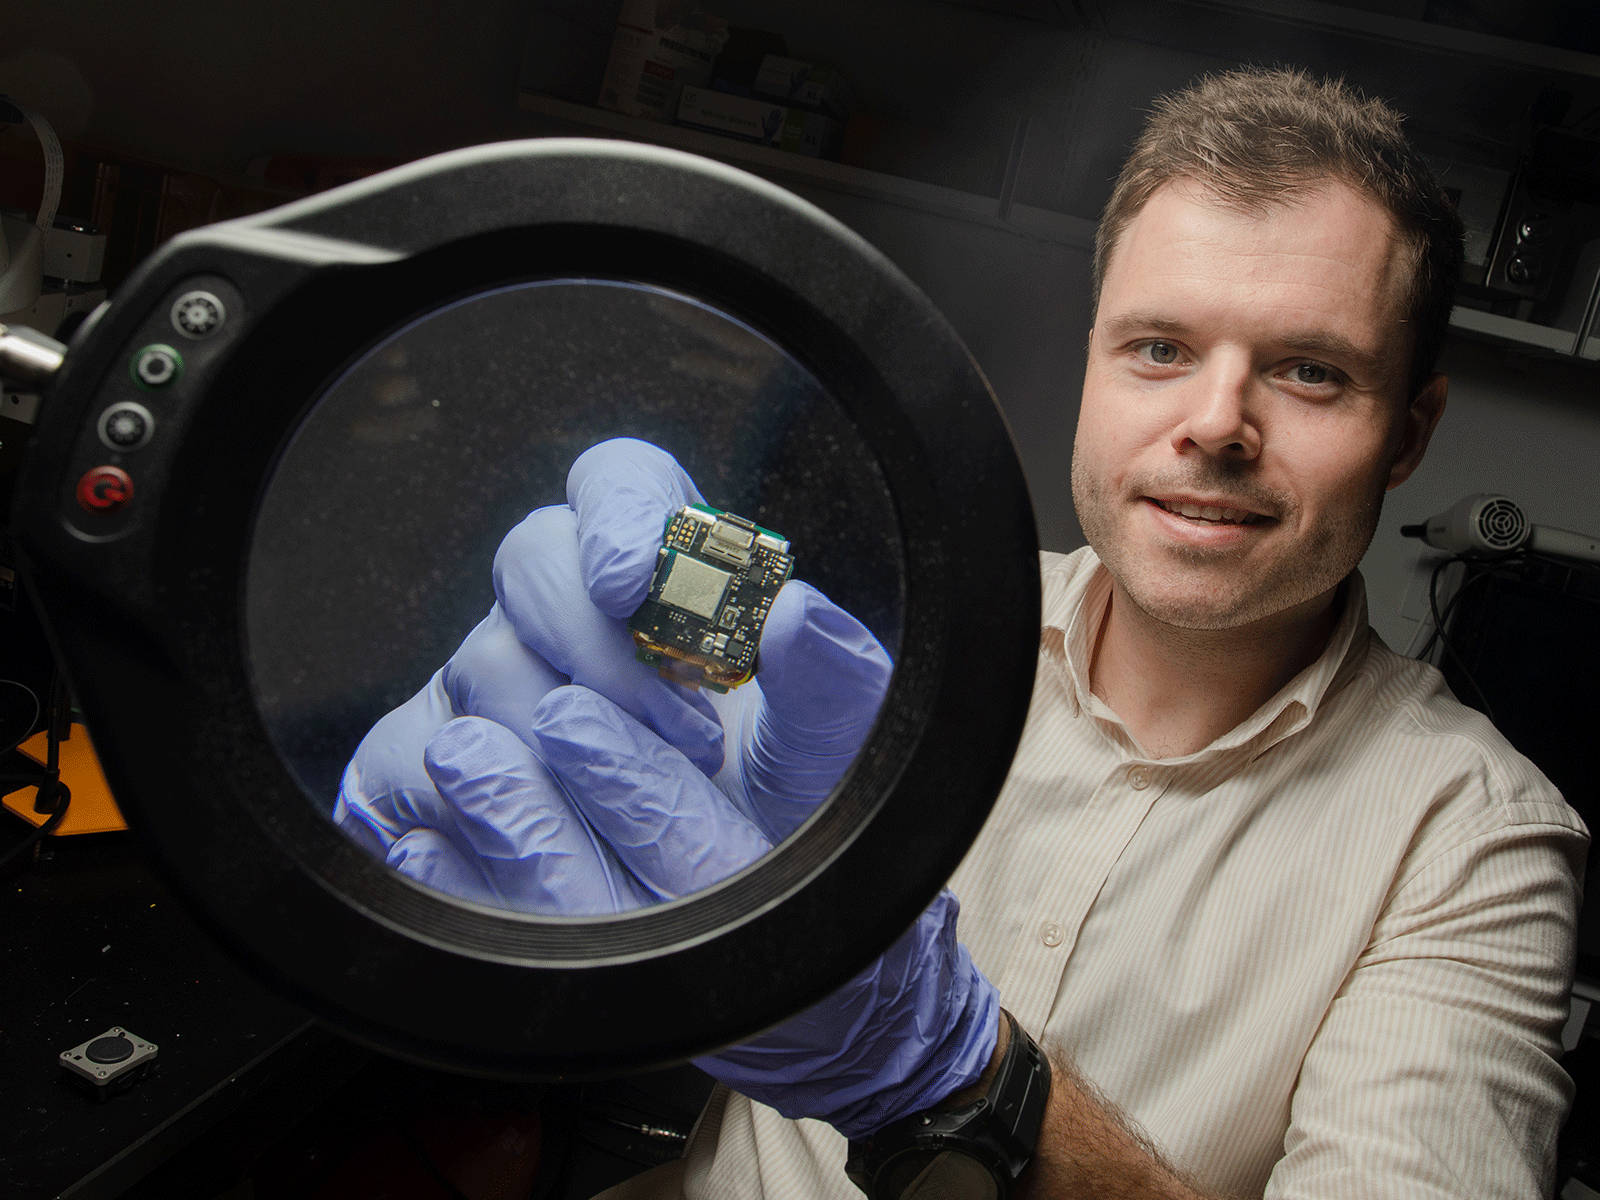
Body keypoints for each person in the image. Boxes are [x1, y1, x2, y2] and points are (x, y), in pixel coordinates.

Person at [336, 68, 1588, 1198]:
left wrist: (947, 1080)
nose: (1215, 423)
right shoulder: (877, 645)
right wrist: (431, 824)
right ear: (1094, 366)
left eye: (1309, 371)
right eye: (1158, 347)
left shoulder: (1474, 845)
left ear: (1409, 432)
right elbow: (576, 861)